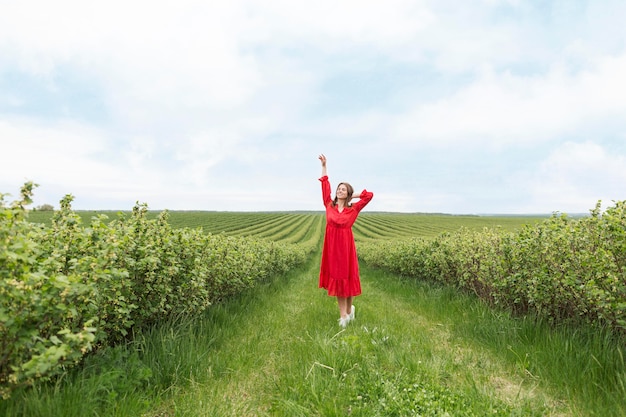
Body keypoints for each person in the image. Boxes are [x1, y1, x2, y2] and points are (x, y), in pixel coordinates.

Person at [318, 154, 374, 328]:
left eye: (343, 190)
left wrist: (352, 194)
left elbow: (369, 195)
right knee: (338, 278)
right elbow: (325, 184)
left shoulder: (353, 209)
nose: (339, 191)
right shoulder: (329, 205)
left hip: (346, 247)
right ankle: (344, 316)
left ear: (347, 193)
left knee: (348, 280)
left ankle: (350, 311)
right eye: (338, 189)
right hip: (333, 248)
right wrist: (324, 165)